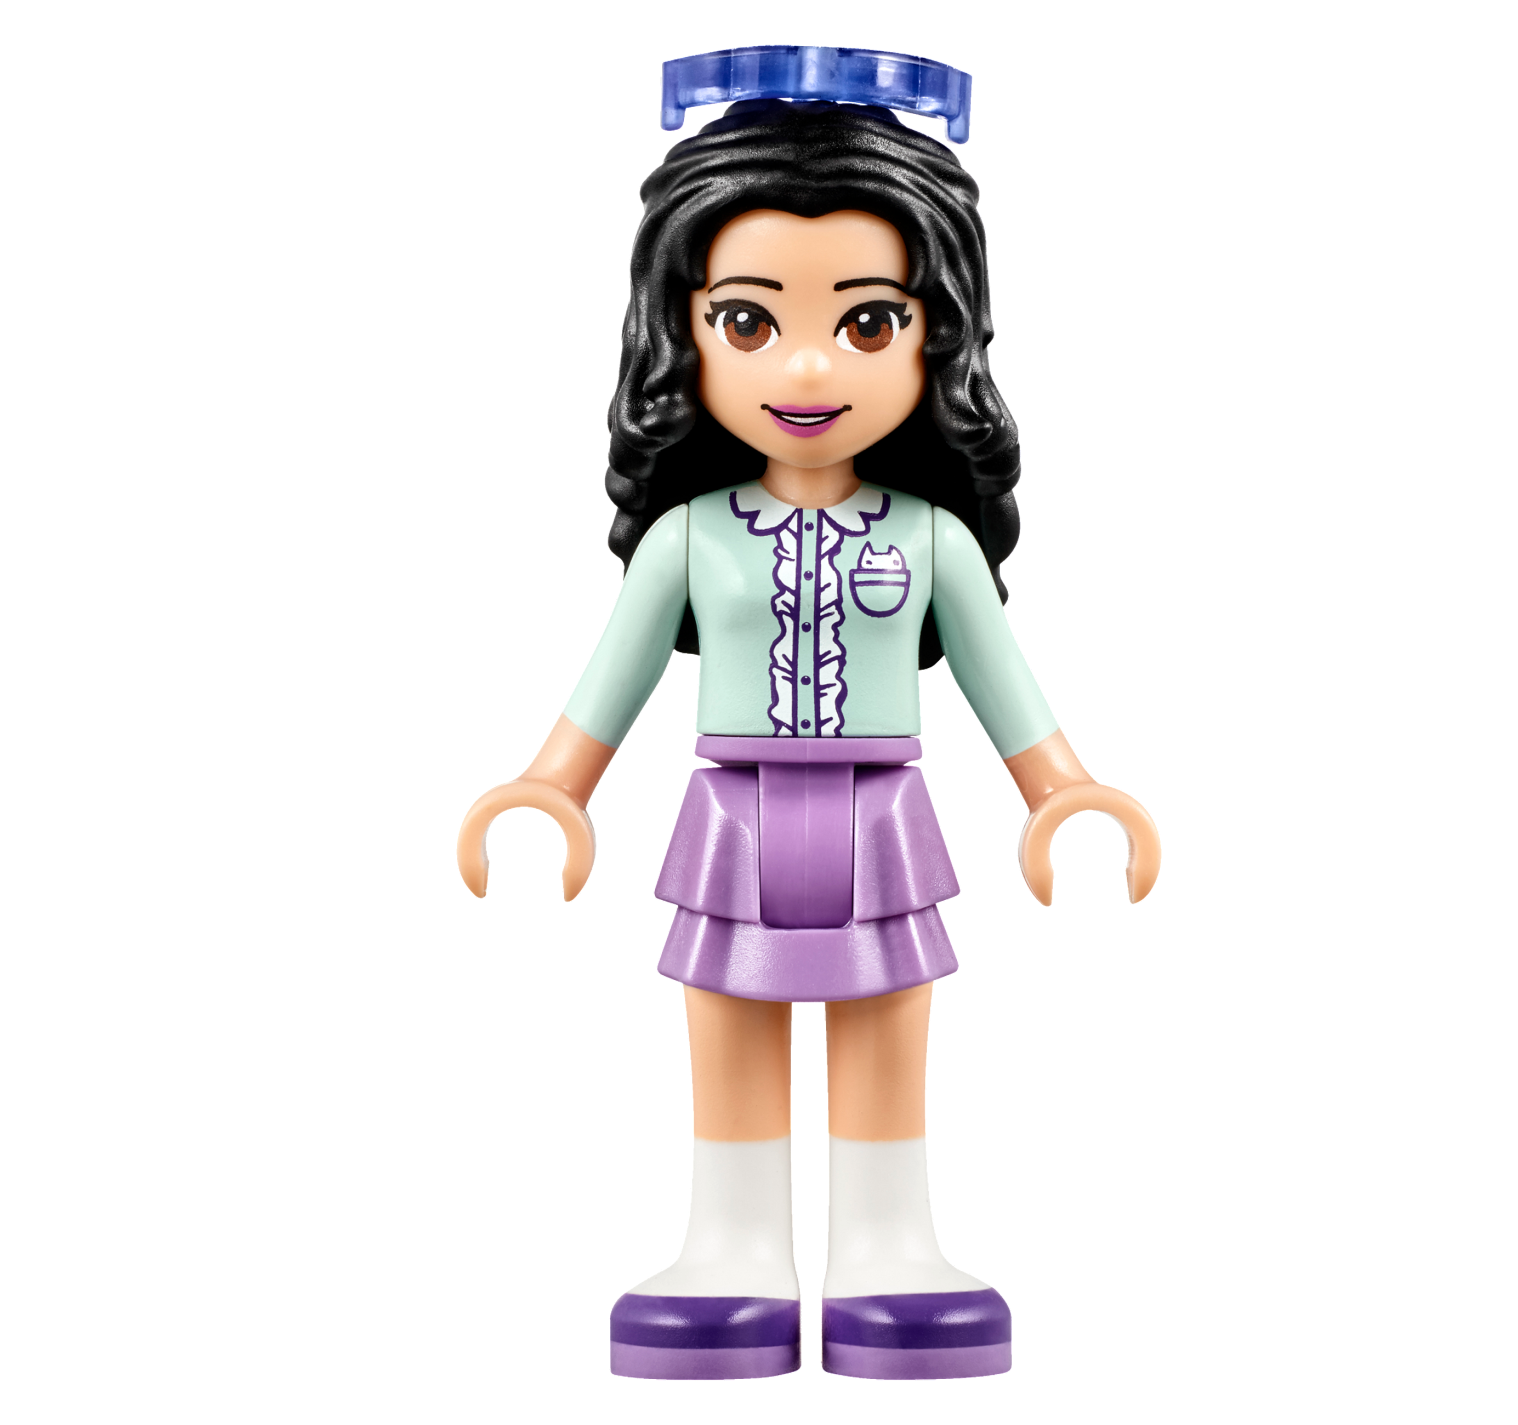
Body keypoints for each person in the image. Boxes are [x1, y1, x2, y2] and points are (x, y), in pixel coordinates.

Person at [457, 97, 1159, 1381]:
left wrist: (1062, 793)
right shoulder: (690, 537)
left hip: (884, 817)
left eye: (867, 323)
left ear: (936, 334)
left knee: (886, 1018)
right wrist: (551, 789)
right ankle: (731, 1245)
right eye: (748, 322)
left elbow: (1006, 688)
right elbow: (608, 685)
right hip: (728, 819)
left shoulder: (931, 539)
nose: (808, 372)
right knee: (729, 1016)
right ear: (679, 332)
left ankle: (888, 1244)